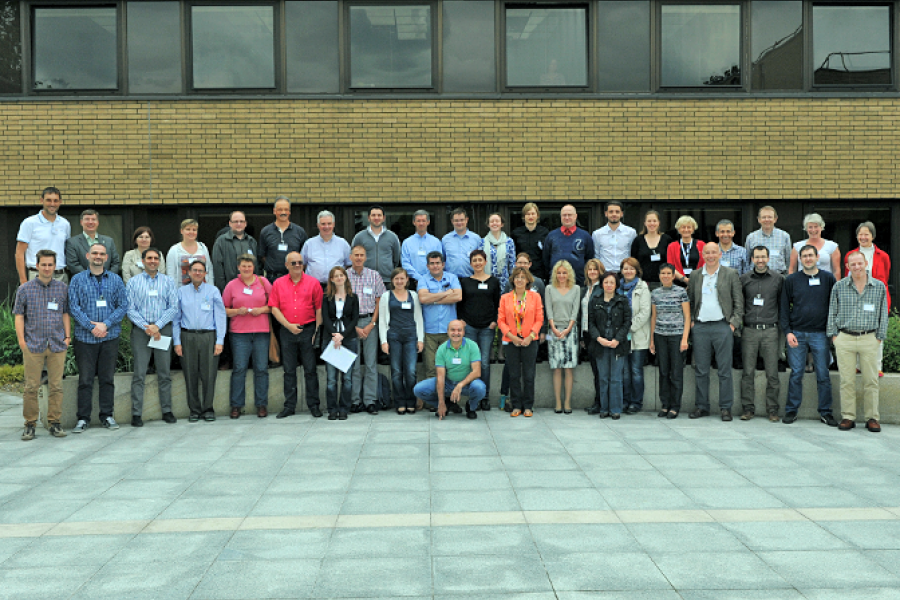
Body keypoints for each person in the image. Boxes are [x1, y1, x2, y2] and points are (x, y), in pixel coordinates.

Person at [68, 243, 128, 433]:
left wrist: (105, 325)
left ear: (107, 257)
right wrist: (91, 326)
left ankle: (107, 415)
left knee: (107, 378)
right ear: (87, 255)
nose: (98, 256)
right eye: (95, 253)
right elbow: (73, 307)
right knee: (85, 379)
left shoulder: (116, 280)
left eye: (102, 253)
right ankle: (83, 418)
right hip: (85, 338)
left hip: (109, 337)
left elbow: (123, 306)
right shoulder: (77, 280)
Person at [828, 251, 889, 433]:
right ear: (848, 267)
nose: (856, 267)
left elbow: (883, 314)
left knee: (871, 380)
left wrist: (879, 337)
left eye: (859, 263)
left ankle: (872, 418)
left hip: (869, 338)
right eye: (852, 264)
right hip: (845, 338)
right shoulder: (839, 286)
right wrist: (834, 336)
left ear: (866, 263)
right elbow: (832, 311)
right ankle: (848, 416)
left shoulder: (878, 287)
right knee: (847, 380)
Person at [14, 249, 70, 440]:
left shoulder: (62, 288)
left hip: (56, 344)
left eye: (50, 265)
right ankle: (30, 424)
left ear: (55, 266)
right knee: (31, 386)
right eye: (43, 264)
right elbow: (19, 316)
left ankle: (55, 422)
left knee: (56, 386)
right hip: (33, 344)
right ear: (37, 266)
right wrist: (22, 341)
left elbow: (65, 313)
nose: (47, 268)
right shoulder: (25, 289)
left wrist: (67, 337)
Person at [780, 244, 838, 426]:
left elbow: (835, 306)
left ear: (817, 257)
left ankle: (826, 412)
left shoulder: (828, 279)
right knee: (796, 373)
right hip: (797, 333)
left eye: (810, 255)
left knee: (823, 374)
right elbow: (783, 308)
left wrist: (832, 332)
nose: (807, 259)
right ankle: (791, 410)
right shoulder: (792, 280)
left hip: (820, 334)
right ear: (800, 259)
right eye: (804, 256)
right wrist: (787, 332)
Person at [687, 243, 744, 421]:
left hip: (722, 327)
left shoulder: (730, 274)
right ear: (702, 255)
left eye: (714, 252)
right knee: (701, 369)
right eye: (707, 253)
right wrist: (692, 324)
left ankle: (725, 407)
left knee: (724, 370)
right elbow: (690, 300)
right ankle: (701, 406)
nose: (710, 255)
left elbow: (739, 302)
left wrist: (733, 324)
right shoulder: (696, 275)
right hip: (701, 327)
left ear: (720, 254)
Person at [126, 247, 178, 426]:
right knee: (139, 374)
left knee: (164, 373)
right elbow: (130, 308)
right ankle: (136, 413)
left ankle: (167, 410)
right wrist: (146, 327)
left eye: (156, 258)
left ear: (160, 261)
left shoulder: (168, 282)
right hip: (141, 332)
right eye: (149, 258)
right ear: (143, 261)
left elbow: (173, 307)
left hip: (162, 331)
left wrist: (157, 326)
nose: (153, 261)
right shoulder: (133, 282)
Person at [269, 251, 324, 418]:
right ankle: (289, 406)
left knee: (310, 370)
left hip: (308, 331)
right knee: (289, 371)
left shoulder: (313, 283)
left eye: (300, 262)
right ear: (286, 265)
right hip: (287, 331)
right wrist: (288, 326)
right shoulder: (278, 283)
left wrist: (316, 331)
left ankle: (314, 405)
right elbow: (274, 308)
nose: (297, 265)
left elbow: (319, 308)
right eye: (293, 263)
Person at [173, 260, 226, 422]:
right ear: (188, 273)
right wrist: (177, 342)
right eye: (194, 270)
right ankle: (194, 410)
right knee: (190, 374)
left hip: (208, 336)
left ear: (205, 274)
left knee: (209, 374)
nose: (197, 273)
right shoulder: (181, 292)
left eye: (200, 271)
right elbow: (176, 318)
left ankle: (208, 409)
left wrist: (220, 340)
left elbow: (220, 316)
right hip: (187, 336)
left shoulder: (213, 291)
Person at [222, 254, 272, 419]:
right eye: (243, 266)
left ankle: (261, 404)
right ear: (238, 267)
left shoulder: (263, 283)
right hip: (239, 334)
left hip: (261, 332)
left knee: (261, 369)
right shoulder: (231, 285)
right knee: (239, 369)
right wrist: (237, 311)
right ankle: (236, 405)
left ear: (254, 267)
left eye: (249, 266)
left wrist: (262, 310)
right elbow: (223, 310)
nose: (246, 269)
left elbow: (274, 306)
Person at [738, 246, 784, 422]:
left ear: (768, 258)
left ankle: (773, 409)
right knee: (747, 372)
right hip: (749, 330)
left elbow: (782, 303)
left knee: (772, 373)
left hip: (770, 330)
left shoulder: (778, 279)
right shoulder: (744, 279)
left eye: (763, 257)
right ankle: (748, 408)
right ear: (752, 259)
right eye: (757, 257)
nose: (760, 260)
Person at [498, 253, 548, 411]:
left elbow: (539, 318)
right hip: (511, 340)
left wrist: (531, 336)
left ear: (528, 280)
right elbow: (501, 320)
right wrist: (512, 337)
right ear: (513, 280)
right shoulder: (506, 297)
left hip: (530, 340)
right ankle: (516, 405)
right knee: (513, 375)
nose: (519, 280)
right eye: (517, 277)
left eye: (522, 277)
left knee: (528, 375)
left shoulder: (535, 297)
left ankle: (528, 406)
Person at [413, 320, 486, 420]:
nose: (456, 333)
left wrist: (460, 385)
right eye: (453, 330)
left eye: (459, 330)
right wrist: (441, 402)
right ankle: (445, 405)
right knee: (418, 389)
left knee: (480, 388)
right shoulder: (442, 349)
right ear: (447, 331)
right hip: (448, 383)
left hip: (466, 385)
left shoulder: (472, 346)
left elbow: (477, 372)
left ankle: (471, 407)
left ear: (464, 332)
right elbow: (440, 376)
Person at [845, 221, 892, 376]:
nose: (863, 237)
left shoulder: (883, 256)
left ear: (872, 235)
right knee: (856, 331)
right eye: (860, 234)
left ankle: (876, 366)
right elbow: (847, 278)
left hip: (875, 299)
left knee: (876, 332)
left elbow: (885, 278)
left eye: (866, 234)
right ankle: (858, 365)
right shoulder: (850, 255)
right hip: (855, 299)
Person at [458, 249, 501, 411]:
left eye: (480, 260)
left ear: (485, 262)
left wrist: (495, 321)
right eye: (474, 260)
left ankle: (485, 396)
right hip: (469, 326)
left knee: (484, 363)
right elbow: (460, 304)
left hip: (486, 328)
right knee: (471, 363)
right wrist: (461, 320)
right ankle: (472, 395)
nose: (477, 263)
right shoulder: (465, 282)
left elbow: (498, 303)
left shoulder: (493, 282)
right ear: (470, 263)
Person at [379, 268, 424, 415]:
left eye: (402, 278)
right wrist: (383, 341)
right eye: (396, 279)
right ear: (392, 280)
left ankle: (411, 401)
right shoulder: (386, 296)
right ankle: (399, 402)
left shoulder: (414, 295)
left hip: (411, 336)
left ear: (407, 280)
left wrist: (420, 339)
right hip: (394, 336)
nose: (399, 281)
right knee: (397, 371)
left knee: (410, 371)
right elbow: (382, 320)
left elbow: (418, 318)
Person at [347, 245, 386, 414]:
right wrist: (353, 326)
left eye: (362, 255)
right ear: (350, 257)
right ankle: (355, 401)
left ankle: (370, 400)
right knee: (354, 365)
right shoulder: (345, 276)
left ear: (365, 257)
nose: (358, 258)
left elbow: (380, 301)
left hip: (370, 321)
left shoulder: (374, 275)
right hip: (351, 324)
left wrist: (372, 324)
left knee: (371, 364)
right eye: (356, 255)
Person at [588, 272, 632, 419]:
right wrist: (599, 338)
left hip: (617, 345)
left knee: (616, 378)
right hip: (600, 344)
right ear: (602, 284)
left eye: (611, 283)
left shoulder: (623, 300)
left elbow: (627, 322)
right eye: (606, 282)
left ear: (616, 285)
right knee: (603, 378)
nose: (608, 285)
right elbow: (591, 323)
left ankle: (615, 409)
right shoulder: (595, 301)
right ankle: (604, 408)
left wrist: (618, 339)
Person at [650, 263, 691, 419]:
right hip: (660, 335)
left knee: (676, 372)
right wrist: (652, 339)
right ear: (659, 276)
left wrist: (685, 338)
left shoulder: (681, 292)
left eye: (669, 273)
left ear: (674, 276)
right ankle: (665, 404)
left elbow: (687, 316)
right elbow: (654, 317)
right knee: (663, 372)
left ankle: (675, 406)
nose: (666, 276)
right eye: (663, 273)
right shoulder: (655, 293)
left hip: (677, 336)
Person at [417, 251, 462, 380]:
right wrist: (446, 293)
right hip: (429, 332)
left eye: (437, 263)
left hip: (449, 332)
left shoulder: (452, 278)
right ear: (427, 266)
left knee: (450, 368)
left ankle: (448, 399)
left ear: (443, 264)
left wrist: (434, 299)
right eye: (432, 263)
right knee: (431, 369)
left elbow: (458, 296)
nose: (435, 266)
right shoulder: (423, 279)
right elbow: (423, 298)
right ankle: (431, 399)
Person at [322, 266, 359, 420]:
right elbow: (325, 317)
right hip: (330, 339)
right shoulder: (326, 297)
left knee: (347, 378)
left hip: (348, 339)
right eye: (335, 276)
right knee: (331, 379)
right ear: (331, 279)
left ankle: (344, 408)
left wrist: (342, 335)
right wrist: (335, 335)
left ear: (345, 277)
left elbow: (354, 318)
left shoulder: (353, 297)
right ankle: (332, 409)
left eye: (341, 275)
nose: (339, 278)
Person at [546, 260, 580, 414]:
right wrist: (553, 327)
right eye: (559, 273)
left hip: (570, 330)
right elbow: (549, 310)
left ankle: (567, 402)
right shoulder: (549, 289)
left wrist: (568, 329)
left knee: (568, 369)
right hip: (553, 331)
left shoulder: (576, 289)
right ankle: (558, 402)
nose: (561, 275)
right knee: (557, 368)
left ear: (569, 274)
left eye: (564, 273)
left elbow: (575, 311)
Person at [16, 187, 70, 285]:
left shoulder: (65, 224)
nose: (52, 204)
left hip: (60, 277)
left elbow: (66, 250)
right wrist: (23, 281)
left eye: (55, 201)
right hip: (37, 275)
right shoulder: (29, 223)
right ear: (42, 201)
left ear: (60, 202)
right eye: (48, 200)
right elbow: (19, 253)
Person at [620, 258, 651, 414]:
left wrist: (628, 327)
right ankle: (624, 401)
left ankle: (636, 403)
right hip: (621, 338)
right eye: (625, 268)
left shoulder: (643, 287)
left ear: (637, 270)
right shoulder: (617, 287)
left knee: (636, 371)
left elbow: (645, 312)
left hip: (638, 335)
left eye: (631, 268)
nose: (628, 271)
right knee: (624, 372)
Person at [257, 196, 308, 283]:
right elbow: (262, 256)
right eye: (280, 209)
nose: (283, 212)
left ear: (289, 211)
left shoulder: (300, 231)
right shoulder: (265, 231)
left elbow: (304, 256)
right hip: (272, 279)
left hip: (294, 279)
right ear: (274, 211)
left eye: (286, 209)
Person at [543, 204, 594, 286]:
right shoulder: (551, 236)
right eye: (564, 215)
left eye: (569, 215)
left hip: (579, 283)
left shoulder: (585, 236)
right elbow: (546, 259)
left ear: (575, 216)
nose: (567, 218)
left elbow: (589, 258)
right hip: (556, 283)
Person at [351, 205, 401, 285]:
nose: (376, 218)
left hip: (387, 280)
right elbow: (354, 257)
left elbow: (396, 259)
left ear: (383, 218)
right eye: (373, 215)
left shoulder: (393, 237)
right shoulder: (359, 237)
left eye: (379, 215)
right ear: (368, 218)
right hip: (365, 279)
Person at [581, 258, 606, 415]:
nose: (592, 272)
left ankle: (601, 403)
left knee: (600, 371)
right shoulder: (586, 288)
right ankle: (598, 401)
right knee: (595, 371)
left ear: (600, 271)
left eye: (595, 269)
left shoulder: (602, 289)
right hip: (587, 333)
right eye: (590, 269)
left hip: (598, 335)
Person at [301, 210, 351, 287]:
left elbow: (349, 265)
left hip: (336, 286)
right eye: (323, 224)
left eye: (329, 223)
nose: (326, 227)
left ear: (334, 224)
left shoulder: (343, 243)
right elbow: (302, 265)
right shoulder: (309, 244)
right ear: (318, 225)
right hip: (313, 286)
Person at [65, 209, 121, 275]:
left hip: (107, 282)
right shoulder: (72, 242)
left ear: (98, 223)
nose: (90, 222)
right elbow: (73, 264)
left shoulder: (109, 241)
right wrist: (90, 278)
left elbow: (115, 263)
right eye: (87, 219)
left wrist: (107, 277)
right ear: (81, 222)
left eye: (93, 219)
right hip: (83, 282)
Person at [213, 211, 259, 291]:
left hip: (250, 289)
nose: (239, 224)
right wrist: (224, 289)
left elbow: (257, 266)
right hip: (229, 289)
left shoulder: (252, 242)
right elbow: (218, 268)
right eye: (235, 221)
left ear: (245, 224)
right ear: (230, 223)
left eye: (241, 221)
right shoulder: (221, 241)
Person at [630, 210, 672, 291]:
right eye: (649, 221)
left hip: (663, 282)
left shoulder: (667, 239)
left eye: (654, 221)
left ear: (659, 223)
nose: (652, 223)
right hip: (642, 282)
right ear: (645, 223)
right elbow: (633, 262)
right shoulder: (638, 240)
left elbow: (671, 261)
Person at [401, 209, 443, 289]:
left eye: (423, 221)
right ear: (414, 222)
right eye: (418, 221)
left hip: (432, 281)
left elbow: (439, 262)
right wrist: (419, 278)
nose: (421, 223)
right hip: (412, 282)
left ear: (428, 222)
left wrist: (427, 277)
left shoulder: (436, 242)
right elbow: (405, 263)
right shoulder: (407, 243)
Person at [592, 201, 637, 274]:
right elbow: (596, 256)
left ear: (621, 214)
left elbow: (632, 254)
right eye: (611, 212)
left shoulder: (631, 232)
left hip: (624, 273)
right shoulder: (597, 234)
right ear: (606, 214)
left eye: (617, 212)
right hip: (605, 273)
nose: (614, 214)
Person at [166, 218, 213, 287]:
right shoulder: (174, 250)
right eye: (188, 229)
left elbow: (209, 270)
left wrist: (210, 288)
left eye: (194, 230)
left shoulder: (203, 247)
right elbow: (170, 274)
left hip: (202, 290)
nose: (191, 232)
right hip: (181, 291)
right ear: (181, 231)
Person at [745, 206, 791, 275]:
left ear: (775, 219)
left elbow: (788, 260)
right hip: (757, 278)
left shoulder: (784, 236)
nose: (767, 220)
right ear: (759, 219)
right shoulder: (751, 237)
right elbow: (747, 260)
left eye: (770, 217)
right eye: (764, 217)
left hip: (779, 278)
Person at [511, 202, 550, 282]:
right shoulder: (516, 233)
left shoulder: (545, 233)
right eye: (528, 214)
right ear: (524, 216)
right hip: (521, 274)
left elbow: (547, 254)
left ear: (537, 215)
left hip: (539, 274)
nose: (531, 216)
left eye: (533, 213)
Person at [441, 207, 483, 279]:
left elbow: (481, 260)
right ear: (452, 221)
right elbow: (442, 260)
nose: (459, 223)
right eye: (456, 220)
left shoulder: (476, 239)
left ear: (466, 220)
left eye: (462, 220)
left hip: (471, 278)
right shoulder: (445, 239)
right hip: (451, 280)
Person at [666, 215, 704, 286]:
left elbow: (705, 264)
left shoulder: (702, 245)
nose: (686, 230)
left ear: (693, 229)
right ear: (679, 229)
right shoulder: (672, 246)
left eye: (689, 227)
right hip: (678, 284)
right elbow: (670, 267)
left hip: (698, 282)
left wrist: (694, 280)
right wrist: (684, 279)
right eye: (683, 227)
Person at [483, 212, 517, 291]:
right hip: (488, 280)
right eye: (492, 221)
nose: (494, 223)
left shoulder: (509, 242)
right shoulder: (482, 242)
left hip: (504, 281)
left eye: (497, 221)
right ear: (488, 224)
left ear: (502, 224)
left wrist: (513, 281)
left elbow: (512, 263)